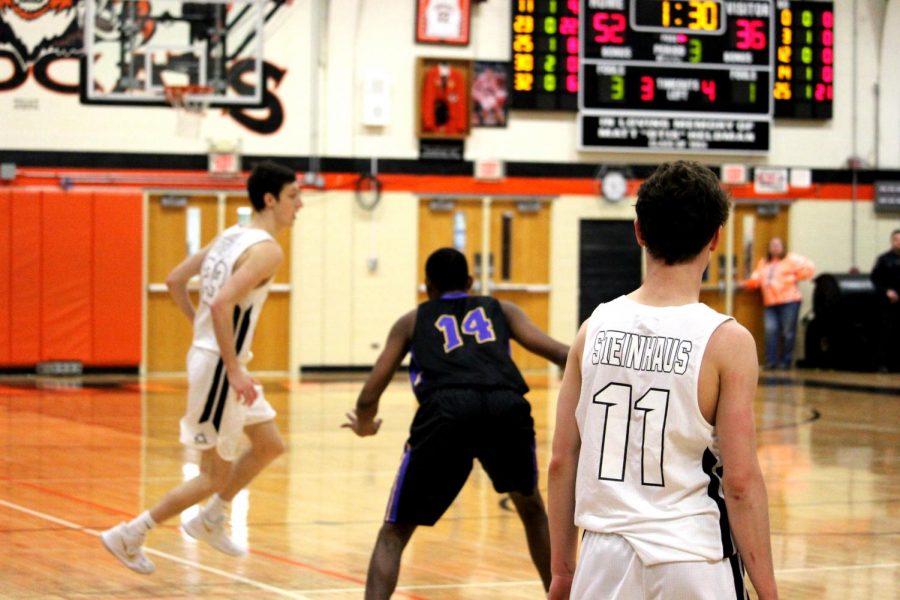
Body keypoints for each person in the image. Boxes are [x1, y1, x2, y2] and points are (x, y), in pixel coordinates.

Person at [548, 161, 778, 600]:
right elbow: (741, 480)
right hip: (693, 556)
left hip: (603, 558)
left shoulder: (592, 328)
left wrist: (562, 571)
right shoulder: (727, 341)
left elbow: (562, 460)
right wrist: (767, 590)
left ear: (638, 230)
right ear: (715, 237)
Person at [100, 161, 302, 574]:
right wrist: (230, 365)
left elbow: (176, 280)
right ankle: (131, 533)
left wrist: (205, 334)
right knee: (212, 474)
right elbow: (221, 303)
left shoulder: (232, 235)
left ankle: (211, 518)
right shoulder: (266, 249)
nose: (299, 205)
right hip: (221, 370)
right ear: (270, 199)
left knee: (269, 445)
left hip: (218, 359)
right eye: (293, 196)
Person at [343, 247, 568, 600]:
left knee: (395, 531)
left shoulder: (413, 320)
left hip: (446, 410)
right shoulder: (502, 310)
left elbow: (369, 394)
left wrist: (366, 424)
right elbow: (560, 354)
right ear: (470, 282)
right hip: (504, 405)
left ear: (428, 287)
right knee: (533, 509)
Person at [743, 237, 815, 369]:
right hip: (770, 303)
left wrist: (797, 276)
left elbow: (809, 268)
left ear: (783, 247)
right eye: (772, 245)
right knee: (770, 331)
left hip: (789, 302)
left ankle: (786, 362)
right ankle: (771, 362)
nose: (775, 248)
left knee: (788, 333)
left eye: (778, 245)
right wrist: (746, 284)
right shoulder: (764, 263)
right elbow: (756, 278)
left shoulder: (791, 259)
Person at [871, 229, 900, 372]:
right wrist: (886, 291)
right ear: (892, 241)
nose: (899, 242)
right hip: (887, 302)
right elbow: (875, 279)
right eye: (896, 239)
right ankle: (883, 363)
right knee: (886, 332)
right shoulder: (884, 259)